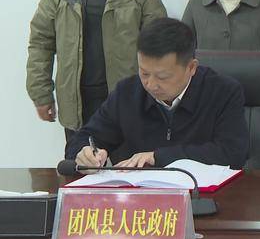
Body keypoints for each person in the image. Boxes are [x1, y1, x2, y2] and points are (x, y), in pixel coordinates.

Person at [27, 0, 166, 141]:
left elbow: (161, 49)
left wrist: (158, 96)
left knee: (129, 162)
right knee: (80, 161)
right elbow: (40, 44)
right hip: (77, 102)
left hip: (128, 100)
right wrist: (41, 94)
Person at [66, 18, 249, 169]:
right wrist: (85, 153)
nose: (151, 85)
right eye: (144, 73)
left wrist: (158, 157)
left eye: (163, 77)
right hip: (141, 196)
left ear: (191, 68)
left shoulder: (223, 91)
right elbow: (84, 138)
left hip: (202, 196)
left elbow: (233, 153)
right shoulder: (126, 93)